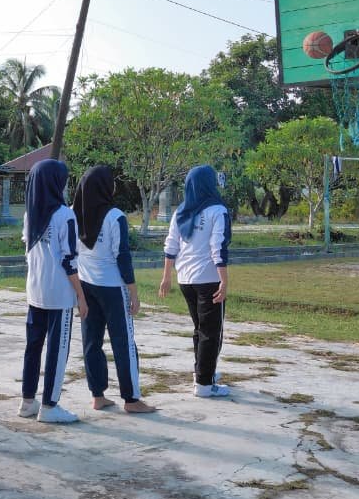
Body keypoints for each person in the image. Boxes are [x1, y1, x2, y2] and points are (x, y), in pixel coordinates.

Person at [72, 166, 154, 415]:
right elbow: (123, 256)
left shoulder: (74, 214)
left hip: (87, 285)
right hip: (112, 287)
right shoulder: (114, 216)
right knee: (124, 343)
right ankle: (131, 399)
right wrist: (134, 292)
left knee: (91, 341)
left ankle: (97, 396)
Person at [19, 159, 88, 424]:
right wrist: (81, 297)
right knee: (57, 350)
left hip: (34, 291)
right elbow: (69, 260)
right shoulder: (65, 215)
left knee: (33, 347)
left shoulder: (31, 214)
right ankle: (49, 405)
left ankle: (28, 401)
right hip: (59, 295)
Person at [159, 165, 231, 399]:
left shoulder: (182, 210)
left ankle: (202, 371)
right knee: (211, 332)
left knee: (200, 329)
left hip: (185, 279)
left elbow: (171, 245)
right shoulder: (217, 211)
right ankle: (204, 384)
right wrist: (224, 281)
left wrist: (166, 277)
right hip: (208, 279)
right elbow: (217, 247)